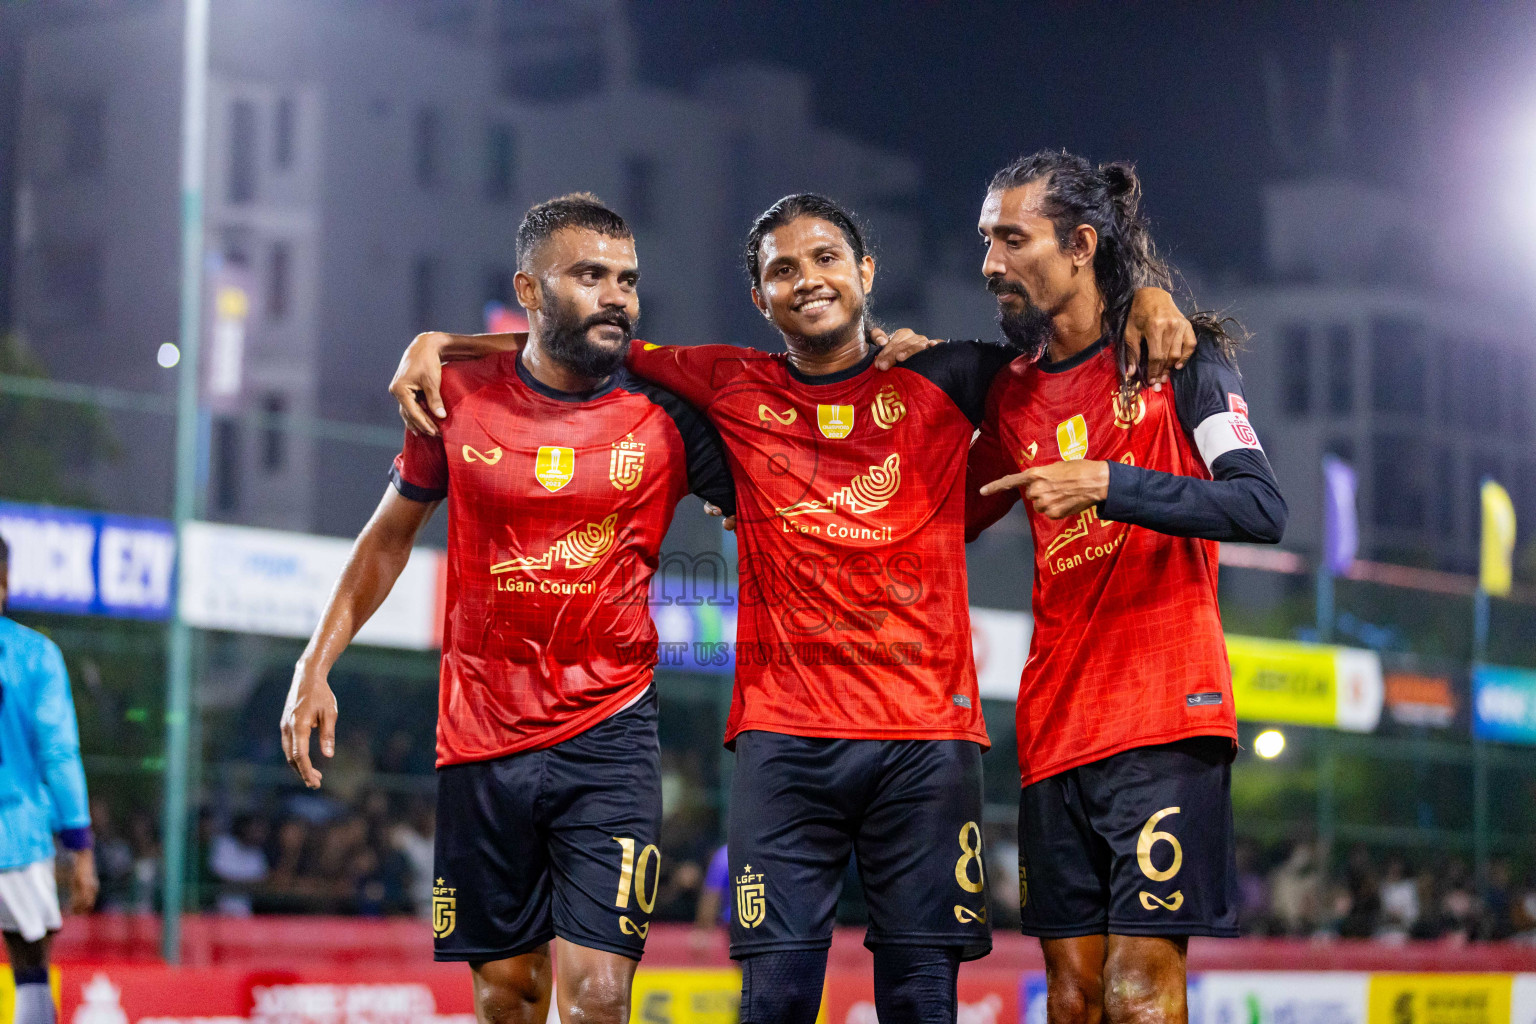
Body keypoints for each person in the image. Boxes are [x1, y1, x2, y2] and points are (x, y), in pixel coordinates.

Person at [390, 193, 1195, 1024]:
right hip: (784, 742)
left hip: (925, 743)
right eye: (783, 269)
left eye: (825, 259)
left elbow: (1069, 345)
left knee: (922, 1001)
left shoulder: (948, 377)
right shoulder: (723, 381)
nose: (807, 279)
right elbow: (581, 338)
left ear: (865, 273)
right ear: (759, 298)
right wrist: (439, 343)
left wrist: (1147, 297)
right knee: (772, 1001)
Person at [281, 193, 735, 1024]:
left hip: (612, 734)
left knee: (599, 996)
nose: (617, 297)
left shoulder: (668, 407)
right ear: (529, 289)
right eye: (590, 275)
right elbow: (386, 540)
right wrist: (316, 663)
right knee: (508, 994)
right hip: (482, 736)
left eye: (627, 280)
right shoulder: (456, 396)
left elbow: (797, 439)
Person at [965, 151, 1286, 1024]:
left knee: (1140, 990)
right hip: (1053, 730)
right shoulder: (1011, 399)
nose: (990, 262)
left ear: (1079, 244)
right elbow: (936, 519)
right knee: (1070, 997)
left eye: (1012, 238)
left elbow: (1261, 508)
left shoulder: (1178, 355)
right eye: (986, 239)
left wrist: (1110, 483)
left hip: (1163, 719)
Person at [0, 537, 99, 1024]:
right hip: (16, 837)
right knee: (30, 968)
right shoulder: (34, 655)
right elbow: (59, 754)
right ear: (5, 581)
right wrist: (80, 846)